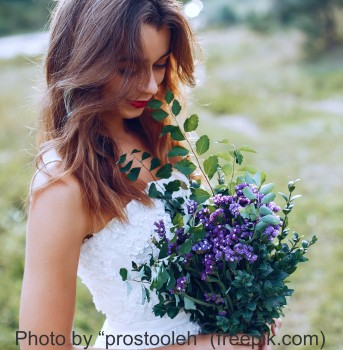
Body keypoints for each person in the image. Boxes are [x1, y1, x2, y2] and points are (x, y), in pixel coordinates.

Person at [19, 1, 281, 349]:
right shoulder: (64, 184)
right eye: (127, 70)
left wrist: (248, 308)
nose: (148, 86)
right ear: (83, 62)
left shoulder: (156, 131)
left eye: (159, 65)